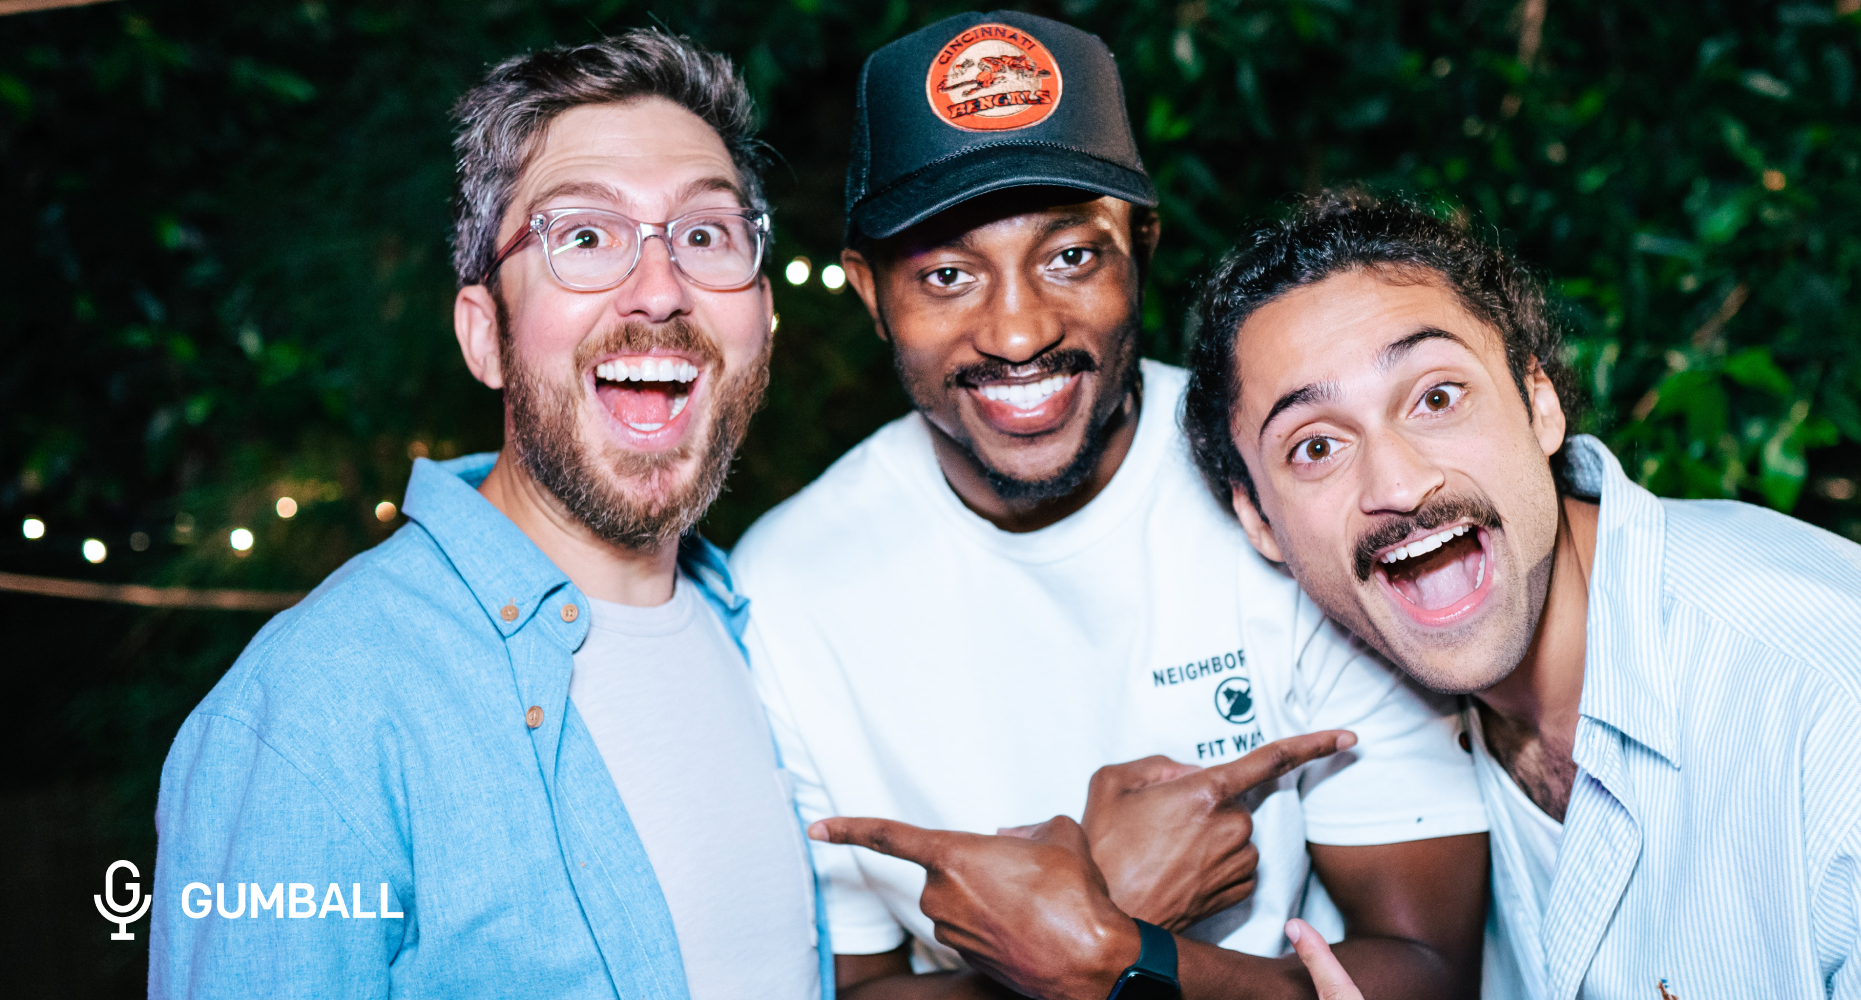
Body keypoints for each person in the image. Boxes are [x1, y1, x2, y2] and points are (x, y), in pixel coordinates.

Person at [730, 12, 1491, 1000]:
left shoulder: (1292, 491)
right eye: (947, 275)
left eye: (1070, 258)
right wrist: (1098, 926)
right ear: (871, 292)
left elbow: (1429, 968)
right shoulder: (786, 595)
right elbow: (853, 987)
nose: (1015, 330)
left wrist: (1114, 951)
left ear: (1141, 246)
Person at [1177, 188, 1861, 998]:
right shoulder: (1379, 733)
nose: (1395, 482)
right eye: (1316, 446)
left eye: (1436, 396)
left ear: (1537, 403)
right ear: (1260, 523)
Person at [150, 29, 831, 999]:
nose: (657, 291)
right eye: (583, 237)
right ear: (486, 336)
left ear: (761, 315)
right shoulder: (311, 717)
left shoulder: (765, 632)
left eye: (704, 235)